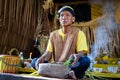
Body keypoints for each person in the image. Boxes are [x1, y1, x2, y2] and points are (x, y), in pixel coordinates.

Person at [35, 5, 90, 79]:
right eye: (62, 15)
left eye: (67, 15)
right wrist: (41, 58)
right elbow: (48, 53)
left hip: (71, 66)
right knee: (35, 61)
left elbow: (81, 52)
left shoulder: (79, 33)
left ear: (73, 19)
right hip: (57, 66)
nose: (64, 17)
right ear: (59, 19)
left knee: (86, 61)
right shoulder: (53, 35)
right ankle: (63, 74)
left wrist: (77, 56)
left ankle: (72, 74)